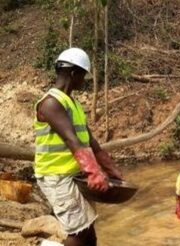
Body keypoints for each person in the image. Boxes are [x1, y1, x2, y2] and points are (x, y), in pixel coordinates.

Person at [34, 47, 123, 246]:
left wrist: (110, 169)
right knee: (79, 234)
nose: (84, 81)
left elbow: (91, 142)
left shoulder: (72, 104)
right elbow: (71, 140)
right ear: (73, 73)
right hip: (56, 176)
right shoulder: (50, 103)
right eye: (83, 76)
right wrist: (93, 173)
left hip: (72, 174)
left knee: (88, 231)